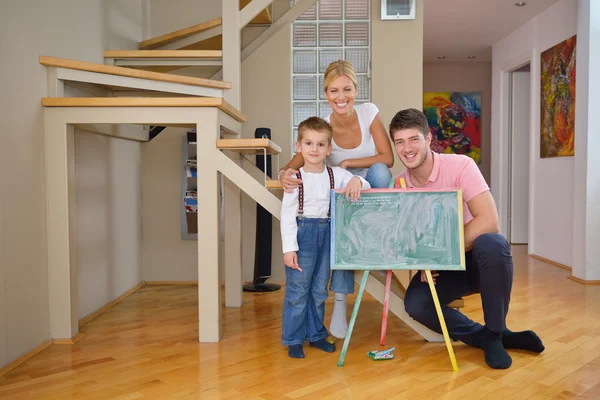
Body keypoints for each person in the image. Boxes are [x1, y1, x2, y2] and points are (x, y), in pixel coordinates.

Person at [389, 108, 545, 369]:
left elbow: (489, 220)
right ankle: (489, 338)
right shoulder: (398, 186)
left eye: (413, 139)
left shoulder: (460, 165)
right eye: (400, 142)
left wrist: (438, 254)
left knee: (493, 242)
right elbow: (408, 239)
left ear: (428, 139)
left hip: (476, 259)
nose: (407, 148)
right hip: (443, 269)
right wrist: (422, 261)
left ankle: (496, 332)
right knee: (416, 304)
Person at [279, 60, 394, 338]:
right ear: (326, 93)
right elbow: (299, 159)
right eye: (333, 91)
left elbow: (387, 158)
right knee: (340, 231)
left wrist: (350, 165)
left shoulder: (369, 112)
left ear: (356, 89)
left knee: (379, 171)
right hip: (343, 199)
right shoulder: (324, 127)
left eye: (347, 89)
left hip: (365, 186)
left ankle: (373, 235)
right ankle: (340, 304)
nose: (341, 97)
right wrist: (285, 171)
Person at [280, 116, 371, 358]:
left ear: (329, 149)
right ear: (298, 146)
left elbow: (366, 183)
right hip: (303, 237)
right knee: (298, 291)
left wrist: (355, 179)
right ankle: (294, 338)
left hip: (327, 236)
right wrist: (289, 249)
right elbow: (287, 216)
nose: (314, 149)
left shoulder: (336, 175)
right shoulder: (294, 179)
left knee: (320, 290)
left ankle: (316, 334)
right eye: (308, 143)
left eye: (321, 144)